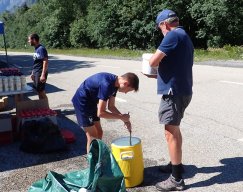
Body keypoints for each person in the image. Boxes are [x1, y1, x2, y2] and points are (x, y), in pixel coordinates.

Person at [143, 9, 194, 191]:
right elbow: (175, 66)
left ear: (164, 24)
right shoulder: (184, 36)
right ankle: (176, 165)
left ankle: (176, 179)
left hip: (174, 93)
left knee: (170, 132)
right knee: (175, 130)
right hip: (182, 90)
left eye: (160, 28)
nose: (161, 31)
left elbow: (153, 61)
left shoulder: (172, 36)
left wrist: (150, 64)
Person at [72, 72, 139, 153]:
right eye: (128, 90)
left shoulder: (115, 84)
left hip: (91, 103)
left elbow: (111, 106)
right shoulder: (107, 85)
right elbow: (100, 113)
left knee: (99, 132)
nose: (125, 93)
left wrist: (125, 120)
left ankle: (97, 156)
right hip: (82, 103)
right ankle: (92, 163)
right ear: (125, 83)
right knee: (92, 136)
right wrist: (121, 117)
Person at [28, 33, 48, 100]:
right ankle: (42, 107)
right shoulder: (36, 49)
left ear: (33, 40)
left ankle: (47, 108)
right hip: (36, 72)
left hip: (40, 72)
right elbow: (36, 62)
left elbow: (45, 61)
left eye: (29, 40)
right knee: (38, 91)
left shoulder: (41, 49)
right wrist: (32, 73)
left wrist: (43, 75)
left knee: (41, 91)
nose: (28, 42)